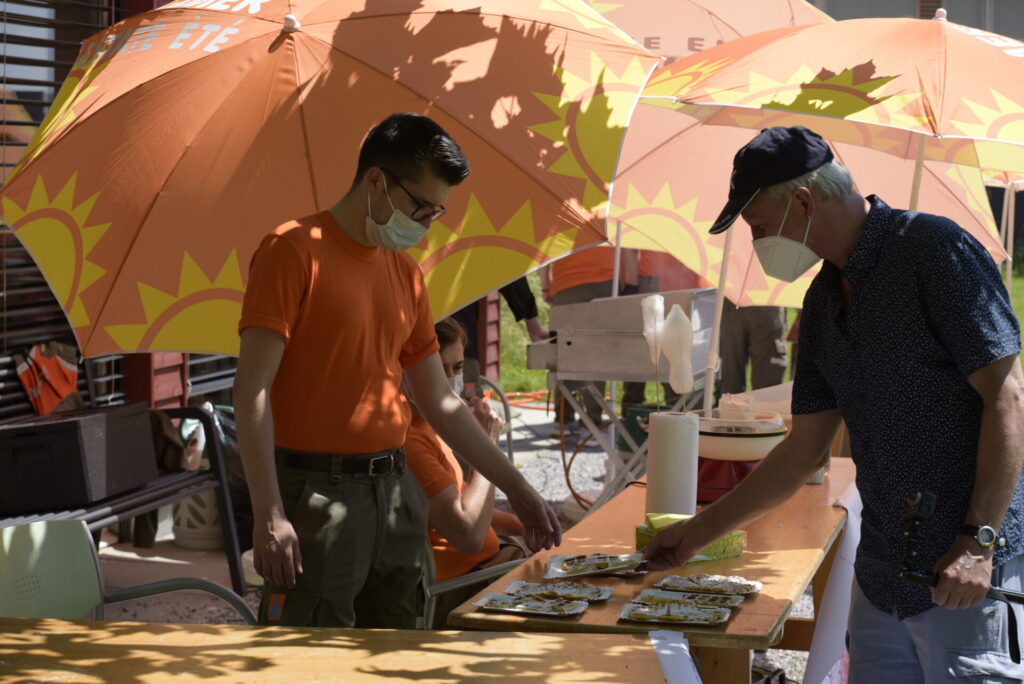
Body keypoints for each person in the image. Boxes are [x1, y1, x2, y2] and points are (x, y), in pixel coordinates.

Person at [643, 126, 1024, 682]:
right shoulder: (822, 299)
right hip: (882, 572)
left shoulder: (935, 249)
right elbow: (802, 452)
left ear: (803, 201)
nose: (758, 243)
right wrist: (696, 534)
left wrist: (979, 540)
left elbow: (1009, 398)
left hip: (962, 572)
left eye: (759, 227)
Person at [234, 113, 561, 629]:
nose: (426, 222)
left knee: (398, 645)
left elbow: (440, 401)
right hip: (318, 492)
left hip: (395, 489)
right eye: (421, 207)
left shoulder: (405, 272)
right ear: (375, 181)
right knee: (310, 650)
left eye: (436, 212)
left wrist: (514, 483)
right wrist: (270, 512)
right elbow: (251, 390)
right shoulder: (292, 250)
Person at [404, 317, 527, 627]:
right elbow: (469, 534)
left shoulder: (428, 426)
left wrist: (525, 525)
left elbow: (462, 501)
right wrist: (486, 448)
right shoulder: (410, 438)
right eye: (438, 368)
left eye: (457, 368)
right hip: (459, 588)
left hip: (484, 570)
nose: (449, 379)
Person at [451, 276, 547, 395]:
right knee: (468, 399)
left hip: (454, 345)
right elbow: (508, 268)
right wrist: (533, 325)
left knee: (468, 396)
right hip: (460, 345)